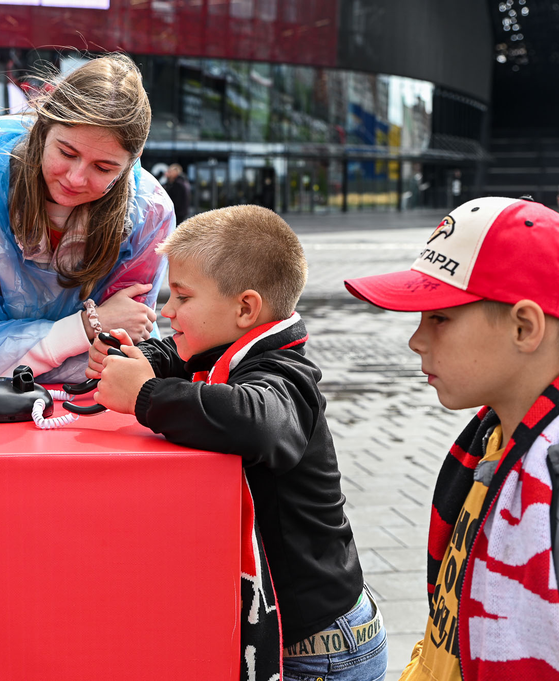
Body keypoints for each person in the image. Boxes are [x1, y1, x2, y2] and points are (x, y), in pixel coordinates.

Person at [90, 205, 384, 681]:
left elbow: (259, 421)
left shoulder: (286, 376)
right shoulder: (231, 348)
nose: (167, 311)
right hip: (303, 635)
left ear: (245, 308)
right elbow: (177, 353)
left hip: (318, 651)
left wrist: (144, 395)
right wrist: (132, 356)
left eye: (182, 297)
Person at [344, 196, 559, 681]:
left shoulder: (549, 474)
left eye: (439, 317)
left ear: (524, 327)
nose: (416, 339)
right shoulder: (494, 441)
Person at [0, 54, 176, 384]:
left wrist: (15, 355)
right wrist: (84, 328)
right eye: (67, 153)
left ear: (133, 160)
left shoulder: (148, 213)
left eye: (103, 168)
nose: (76, 178)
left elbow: (119, 353)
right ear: (44, 125)